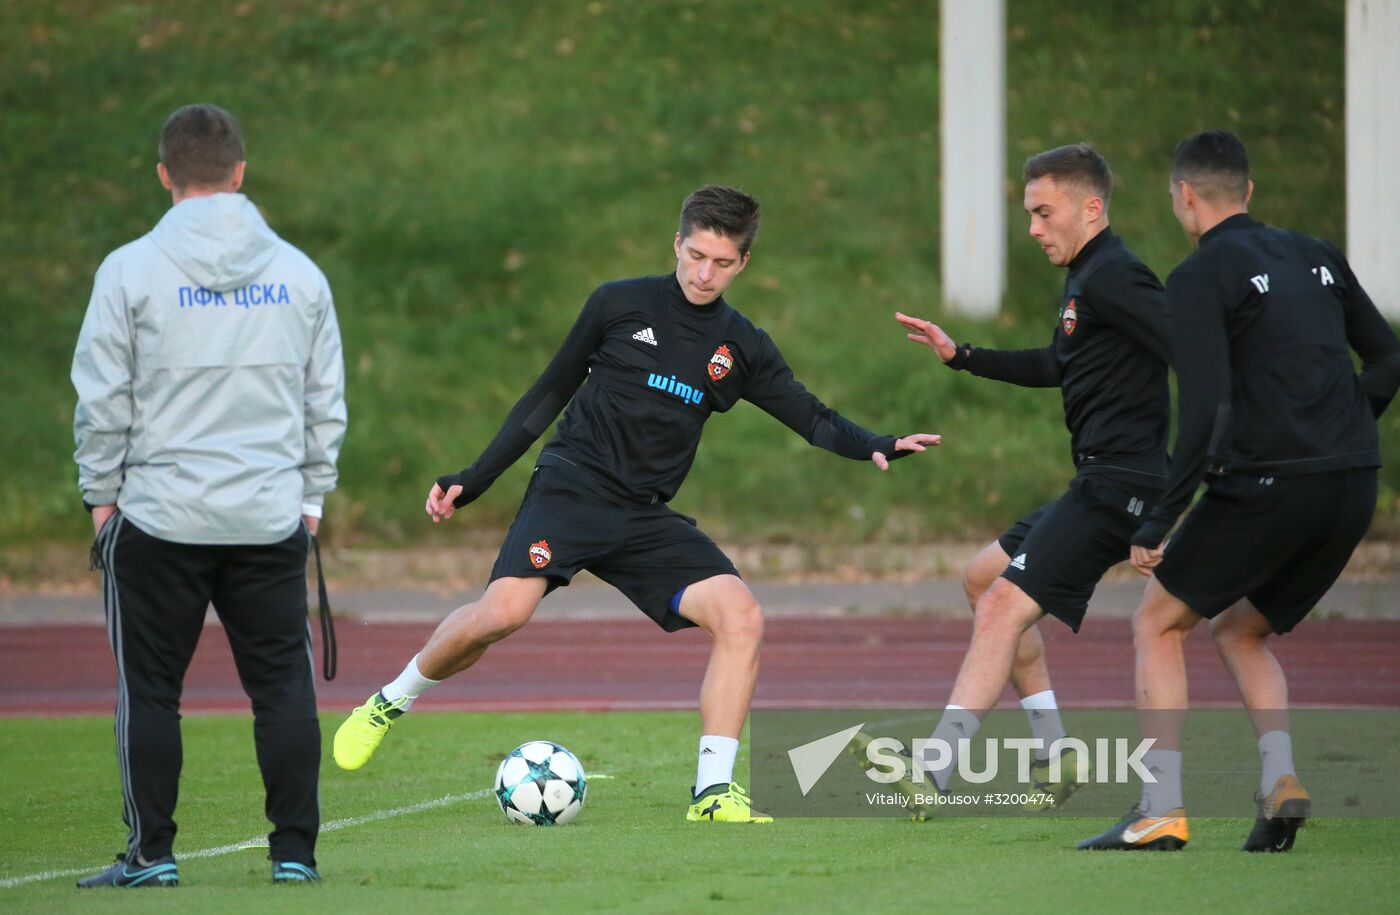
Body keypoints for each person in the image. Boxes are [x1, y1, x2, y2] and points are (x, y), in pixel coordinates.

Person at [332, 185, 940, 823]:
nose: (704, 274)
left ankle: (712, 794)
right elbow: (547, 394)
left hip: (643, 516)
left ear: (743, 263)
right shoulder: (619, 303)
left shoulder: (741, 346)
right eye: (696, 255)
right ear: (676, 244)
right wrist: (476, 477)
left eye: (722, 262)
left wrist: (874, 444)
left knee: (742, 617)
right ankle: (389, 701)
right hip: (572, 487)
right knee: (502, 614)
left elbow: (811, 417)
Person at [1079, 130, 1400, 852]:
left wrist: (1160, 518)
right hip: (1352, 483)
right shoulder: (1318, 252)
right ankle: (1280, 780)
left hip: (1268, 483)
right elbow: (1388, 358)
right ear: (1248, 192)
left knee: (1157, 623)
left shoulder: (1197, 275)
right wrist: (1342, 429)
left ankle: (1160, 810)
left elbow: (1204, 409)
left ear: (1184, 197)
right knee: (1240, 628)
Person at [71, 104, 346, 886]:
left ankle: (151, 855)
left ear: (165, 173)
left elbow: (102, 398)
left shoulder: (128, 270)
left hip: (160, 515)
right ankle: (294, 853)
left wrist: (100, 496)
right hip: (267, 513)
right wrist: (311, 497)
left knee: (151, 693)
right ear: (239, 172)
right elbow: (323, 402)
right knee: (282, 687)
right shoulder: (300, 274)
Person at [889, 144, 1170, 814]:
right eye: (1030, 214)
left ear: (1091, 207)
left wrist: (1173, 499)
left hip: (1123, 484)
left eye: (1044, 212)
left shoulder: (1116, 275)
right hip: (1098, 480)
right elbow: (1058, 364)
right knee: (983, 577)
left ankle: (934, 768)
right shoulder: (1088, 276)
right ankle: (1056, 754)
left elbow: (1194, 350)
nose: (1034, 228)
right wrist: (962, 356)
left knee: (1000, 606)